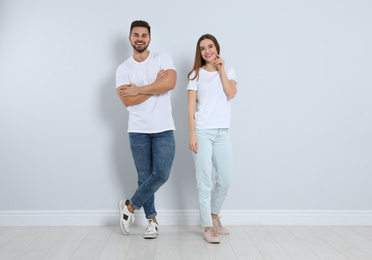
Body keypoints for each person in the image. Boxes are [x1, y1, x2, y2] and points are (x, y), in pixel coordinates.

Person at [115, 20, 177, 239]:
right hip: (138, 130)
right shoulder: (123, 69)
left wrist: (139, 90)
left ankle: (129, 207)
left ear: (149, 38)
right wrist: (155, 86)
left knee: (161, 174)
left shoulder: (162, 58)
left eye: (143, 35)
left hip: (164, 128)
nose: (140, 38)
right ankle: (152, 221)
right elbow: (127, 102)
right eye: (135, 35)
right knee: (144, 177)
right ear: (130, 38)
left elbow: (169, 84)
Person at [187, 34, 237, 244]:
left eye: (210, 46)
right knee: (204, 182)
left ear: (217, 48)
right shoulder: (194, 75)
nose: (207, 51)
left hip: (222, 133)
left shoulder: (229, 71)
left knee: (225, 180)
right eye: (202, 48)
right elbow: (190, 108)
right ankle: (208, 227)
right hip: (203, 132)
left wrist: (221, 69)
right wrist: (192, 134)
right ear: (199, 53)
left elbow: (231, 93)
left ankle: (214, 215)